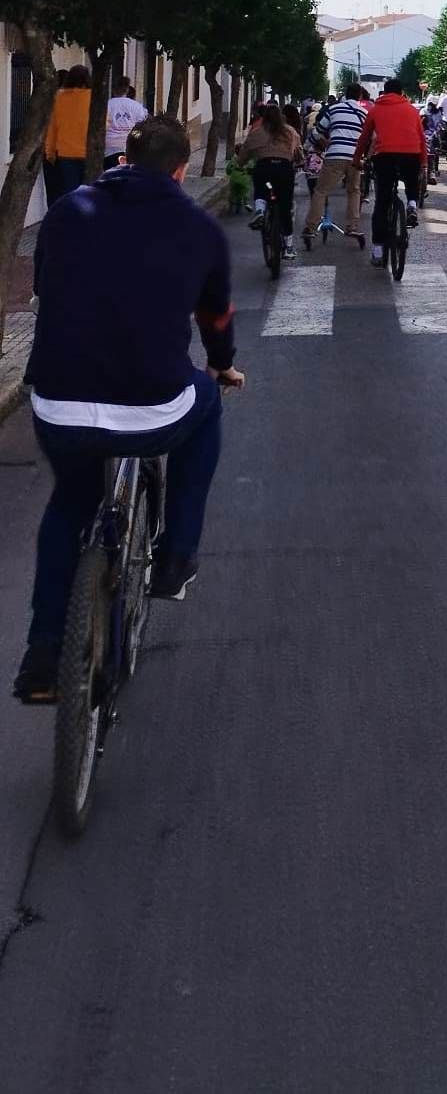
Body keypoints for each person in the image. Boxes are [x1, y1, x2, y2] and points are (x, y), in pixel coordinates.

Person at [15, 115, 245, 704]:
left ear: (120, 160)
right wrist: (220, 364)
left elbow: (45, 286)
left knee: (70, 503)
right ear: (180, 168)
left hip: (58, 404)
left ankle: (43, 661)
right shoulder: (196, 226)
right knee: (208, 406)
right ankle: (175, 557)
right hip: (153, 408)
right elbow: (215, 316)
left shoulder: (68, 210)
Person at [352, 78, 428, 263]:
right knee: (411, 181)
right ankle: (411, 205)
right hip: (411, 154)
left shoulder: (376, 109)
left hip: (384, 156)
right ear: (402, 92)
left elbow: (364, 137)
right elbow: (422, 139)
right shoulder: (412, 110)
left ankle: (378, 252)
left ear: (384, 92)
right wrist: (424, 163)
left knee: (382, 203)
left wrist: (357, 159)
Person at [237, 103, 303, 261]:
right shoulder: (290, 132)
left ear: (264, 118)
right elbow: (299, 153)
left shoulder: (257, 132)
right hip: (284, 172)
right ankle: (288, 248)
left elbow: (245, 153)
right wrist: (299, 161)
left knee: (262, 188)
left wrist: (240, 164)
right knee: (285, 206)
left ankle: (259, 211)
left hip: (264, 170)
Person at [303, 82, 367, 243]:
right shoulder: (364, 113)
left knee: (321, 191)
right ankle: (352, 227)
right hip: (354, 157)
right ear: (360, 96)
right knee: (354, 191)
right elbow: (370, 137)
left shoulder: (334, 109)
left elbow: (318, 131)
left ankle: (311, 227)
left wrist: (307, 147)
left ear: (346, 94)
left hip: (334, 155)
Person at [43, 65, 92, 203]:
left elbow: (52, 128)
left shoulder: (58, 98)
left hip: (65, 154)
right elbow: (105, 124)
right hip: (88, 153)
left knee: (68, 194)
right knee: (88, 195)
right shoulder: (94, 97)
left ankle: (69, 221)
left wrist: (50, 153)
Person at [104, 77, 149, 170]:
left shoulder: (107, 105)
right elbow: (143, 125)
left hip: (109, 149)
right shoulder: (136, 106)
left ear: (113, 90)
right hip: (129, 146)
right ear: (127, 90)